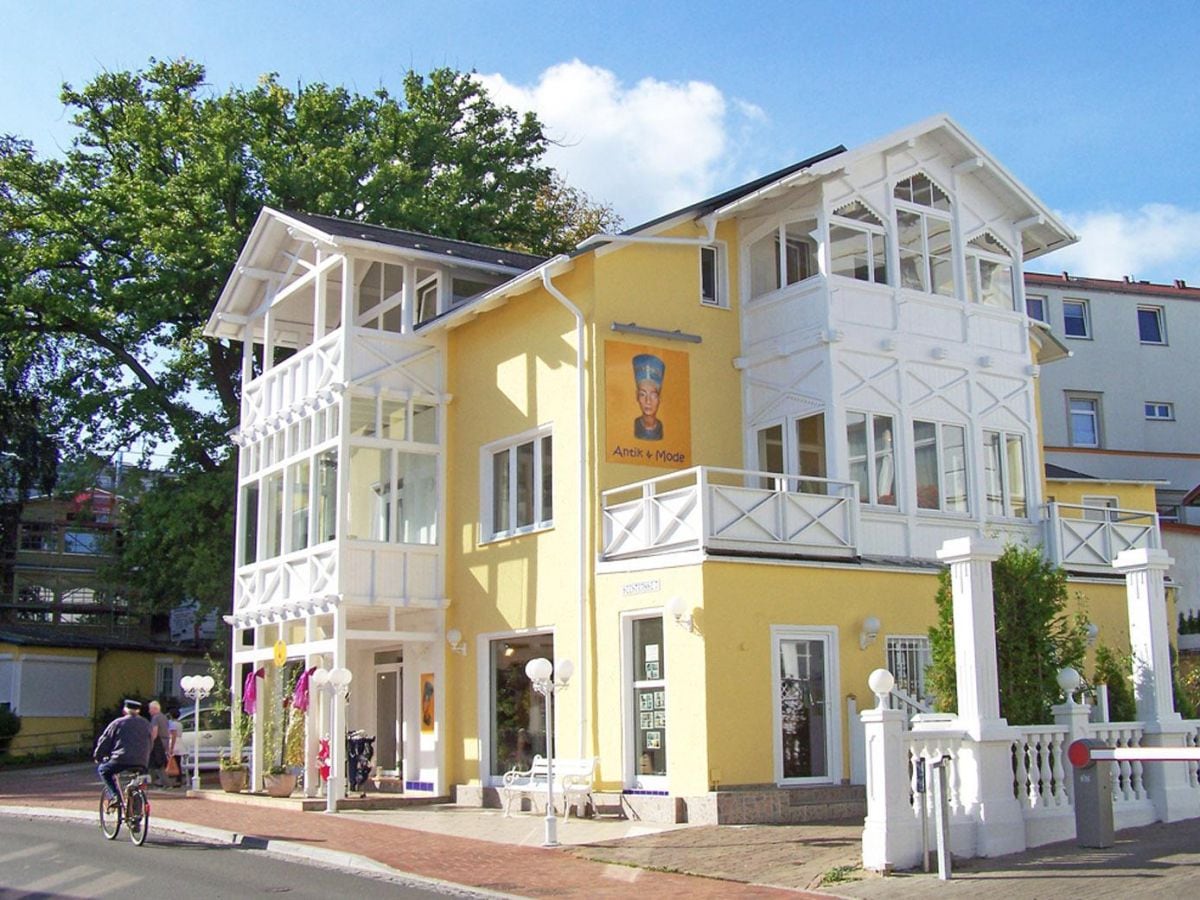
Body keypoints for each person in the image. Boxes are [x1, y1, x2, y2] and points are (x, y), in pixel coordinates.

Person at [94, 699, 152, 807]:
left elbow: (105, 740)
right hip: (141, 760)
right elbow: (150, 742)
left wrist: (98, 755)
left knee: (104, 770)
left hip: (121, 758)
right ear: (138, 711)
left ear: (125, 711)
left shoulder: (118, 723)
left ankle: (115, 796)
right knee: (138, 782)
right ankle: (136, 812)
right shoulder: (146, 724)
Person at [632, 353, 665, 441]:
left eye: (653, 395)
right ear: (637, 396)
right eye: (643, 394)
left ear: (659, 397)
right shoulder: (634, 425)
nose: (648, 401)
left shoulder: (661, 427)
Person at [147, 700, 170, 788]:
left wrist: (150, 743)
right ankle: (153, 782)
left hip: (158, 743)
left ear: (155, 709)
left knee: (156, 763)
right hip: (165, 741)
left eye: (150, 709)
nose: (149, 711)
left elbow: (154, 732)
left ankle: (163, 782)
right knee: (157, 763)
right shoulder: (164, 717)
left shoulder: (155, 718)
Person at [166, 708, 183, 788]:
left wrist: (171, 747)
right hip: (180, 742)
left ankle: (173, 779)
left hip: (174, 742)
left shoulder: (172, 724)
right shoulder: (180, 724)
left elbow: (173, 735)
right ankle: (179, 779)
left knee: (172, 762)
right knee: (178, 762)